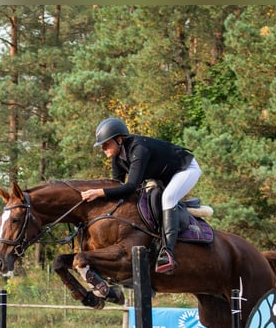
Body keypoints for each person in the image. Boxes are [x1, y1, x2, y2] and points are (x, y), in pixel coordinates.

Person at [81, 117, 202, 274]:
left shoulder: (139, 148)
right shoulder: (117, 156)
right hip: (165, 176)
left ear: (119, 139)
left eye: (106, 143)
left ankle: (168, 253)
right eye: (101, 145)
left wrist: (98, 192)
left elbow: (130, 187)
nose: (103, 147)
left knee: (168, 198)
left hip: (185, 169)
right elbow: (117, 185)